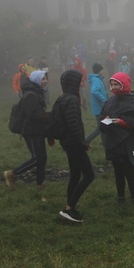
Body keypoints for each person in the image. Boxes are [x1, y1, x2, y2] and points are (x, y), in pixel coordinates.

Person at [99, 72, 134, 204]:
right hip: (114, 142)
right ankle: (120, 196)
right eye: (112, 84)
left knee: (129, 170)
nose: (114, 87)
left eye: (117, 84)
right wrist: (105, 121)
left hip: (128, 143)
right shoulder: (110, 102)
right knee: (118, 171)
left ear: (124, 84)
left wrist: (123, 123)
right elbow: (102, 119)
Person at [56, 70, 95, 223]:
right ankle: (68, 208)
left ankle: (70, 207)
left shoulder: (63, 98)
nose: (80, 84)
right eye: (79, 81)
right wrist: (83, 143)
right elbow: (73, 125)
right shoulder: (72, 100)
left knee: (75, 174)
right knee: (89, 175)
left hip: (67, 142)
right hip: (74, 143)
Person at [3, 70, 50, 188]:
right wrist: (48, 116)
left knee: (42, 157)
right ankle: (12, 174)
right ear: (37, 80)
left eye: (45, 79)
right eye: (43, 79)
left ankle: (40, 183)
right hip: (31, 131)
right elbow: (32, 115)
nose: (45, 81)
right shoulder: (31, 95)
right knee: (37, 158)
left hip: (37, 130)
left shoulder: (36, 92)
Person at [85, 63, 108, 145]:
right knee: (101, 128)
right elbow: (94, 91)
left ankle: (105, 142)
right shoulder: (96, 80)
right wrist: (104, 99)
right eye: (102, 69)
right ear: (99, 71)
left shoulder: (97, 79)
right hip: (99, 108)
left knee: (102, 126)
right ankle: (86, 141)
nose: (103, 71)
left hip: (99, 108)